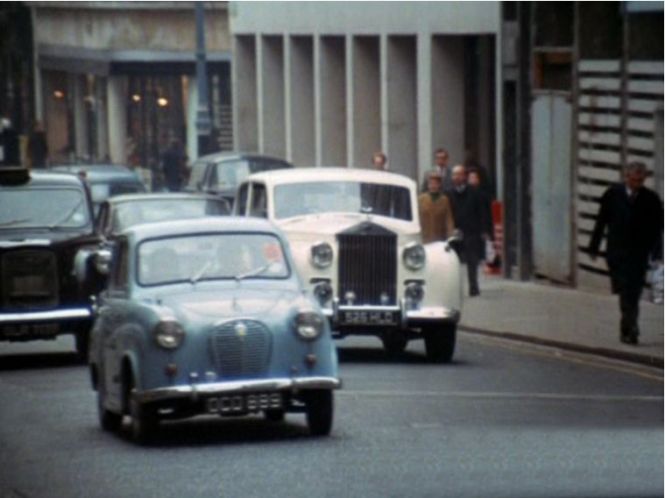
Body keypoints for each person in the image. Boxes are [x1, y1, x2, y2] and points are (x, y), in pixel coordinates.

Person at [588, 161, 663, 345]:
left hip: (638, 254)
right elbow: (601, 222)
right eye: (635, 180)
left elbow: (659, 227)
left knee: (633, 291)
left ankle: (630, 327)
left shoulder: (651, 199)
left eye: (641, 180)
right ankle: (629, 326)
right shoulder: (612, 194)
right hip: (617, 253)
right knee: (624, 290)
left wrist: (657, 252)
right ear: (626, 177)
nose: (638, 184)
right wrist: (593, 247)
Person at [447, 164, 490, 297]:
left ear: (465, 176)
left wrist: (484, 230)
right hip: (454, 231)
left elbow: (482, 212)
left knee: (472, 260)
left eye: (459, 174)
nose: (457, 177)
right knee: (452, 261)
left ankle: (473, 286)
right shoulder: (448, 194)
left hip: (471, 230)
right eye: (454, 174)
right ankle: (453, 289)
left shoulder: (475, 192)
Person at [468, 167, 496, 265]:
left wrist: (485, 228)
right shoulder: (467, 193)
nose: (472, 180)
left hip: (482, 223)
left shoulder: (483, 194)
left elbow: (485, 212)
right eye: (470, 177)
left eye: (474, 177)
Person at [418, 169, 454, 244]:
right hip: (425, 238)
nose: (433, 186)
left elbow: (448, 220)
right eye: (431, 184)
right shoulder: (421, 199)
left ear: (439, 185)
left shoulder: (444, 200)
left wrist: (450, 236)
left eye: (435, 184)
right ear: (428, 185)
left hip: (440, 238)